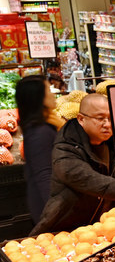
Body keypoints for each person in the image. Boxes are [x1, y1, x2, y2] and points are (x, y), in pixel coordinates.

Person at [32, 94, 115, 235]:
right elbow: (87, 179)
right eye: (100, 119)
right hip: (67, 229)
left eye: (111, 119)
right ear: (81, 119)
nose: (108, 124)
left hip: (107, 229)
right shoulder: (65, 148)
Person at [16, 76, 65, 224]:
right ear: (39, 98)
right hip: (48, 208)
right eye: (49, 90)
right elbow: (44, 175)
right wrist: (57, 213)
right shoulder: (39, 132)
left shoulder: (44, 125)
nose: (53, 94)